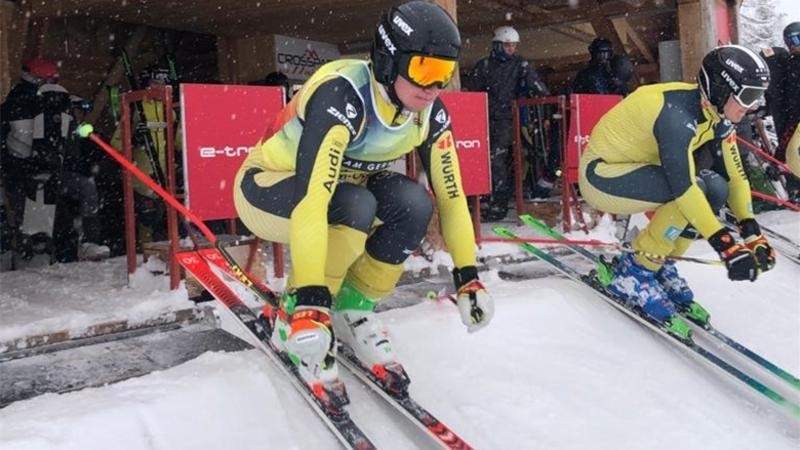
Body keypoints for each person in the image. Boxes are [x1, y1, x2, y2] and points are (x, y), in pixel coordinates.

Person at [233, 1, 494, 393]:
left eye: (444, 72)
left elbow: (451, 196)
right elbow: (313, 201)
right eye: (424, 69)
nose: (434, 87)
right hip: (267, 187)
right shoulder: (343, 95)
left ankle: (355, 306)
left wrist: (468, 277)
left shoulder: (428, 113)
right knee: (355, 204)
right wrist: (309, 297)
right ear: (389, 61)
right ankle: (293, 319)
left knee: (414, 204)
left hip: (340, 189)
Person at [578, 45, 775, 340]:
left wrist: (751, 232)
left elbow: (736, 178)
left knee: (715, 188)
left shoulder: (718, 115)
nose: (752, 106)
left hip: (640, 169)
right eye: (748, 96)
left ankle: (659, 265)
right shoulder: (676, 114)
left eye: (758, 97)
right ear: (722, 89)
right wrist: (727, 247)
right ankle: (636, 274)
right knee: (690, 190)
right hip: (602, 175)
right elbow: (683, 188)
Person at [1, 60, 109, 263]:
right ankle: (32, 251)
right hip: (24, 173)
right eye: (46, 79)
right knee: (39, 215)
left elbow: (72, 139)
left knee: (85, 190)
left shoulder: (59, 102)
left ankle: (86, 243)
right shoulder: (18, 102)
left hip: (53, 171)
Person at [469, 25, 549, 221]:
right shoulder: (484, 65)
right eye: (507, 45)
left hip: (506, 121)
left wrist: (543, 97)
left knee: (498, 160)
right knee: (482, 158)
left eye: (514, 45)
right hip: (484, 119)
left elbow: (537, 86)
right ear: (497, 45)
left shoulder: (520, 64)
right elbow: (473, 91)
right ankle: (485, 196)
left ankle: (499, 203)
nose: (511, 49)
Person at [760, 22, 800, 163]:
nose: (796, 45)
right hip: (791, 120)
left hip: (792, 117)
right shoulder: (787, 63)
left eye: (799, 39)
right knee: (787, 154)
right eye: (792, 41)